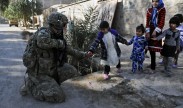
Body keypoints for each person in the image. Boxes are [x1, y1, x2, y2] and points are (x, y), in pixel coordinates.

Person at [20, 12, 86, 103]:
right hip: (39, 73)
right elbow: (41, 42)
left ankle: (52, 83)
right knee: (59, 97)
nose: (65, 27)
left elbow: (69, 49)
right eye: (64, 25)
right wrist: (59, 43)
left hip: (52, 69)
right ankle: (31, 84)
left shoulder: (57, 35)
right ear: (57, 25)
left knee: (73, 71)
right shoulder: (44, 32)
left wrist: (84, 55)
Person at [145, 0, 166, 72]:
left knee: (156, 48)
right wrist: (147, 32)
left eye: (156, 1)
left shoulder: (162, 9)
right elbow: (147, 22)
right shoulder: (149, 10)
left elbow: (161, 22)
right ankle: (153, 65)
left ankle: (164, 61)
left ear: (159, 2)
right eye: (153, 1)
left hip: (157, 31)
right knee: (151, 49)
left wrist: (155, 31)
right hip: (150, 30)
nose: (154, 3)